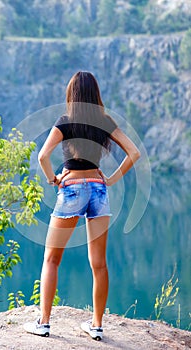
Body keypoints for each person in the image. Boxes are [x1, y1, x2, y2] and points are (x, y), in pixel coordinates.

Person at [23, 71, 140, 341]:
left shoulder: (65, 121)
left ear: (71, 94)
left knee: (52, 259)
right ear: (95, 94)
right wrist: (110, 179)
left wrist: (53, 179)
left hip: (72, 188)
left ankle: (43, 323)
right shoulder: (105, 121)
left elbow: (42, 156)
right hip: (98, 191)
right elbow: (134, 152)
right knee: (99, 264)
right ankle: (97, 326)